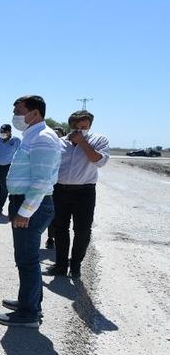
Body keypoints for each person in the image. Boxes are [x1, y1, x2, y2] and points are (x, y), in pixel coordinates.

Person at [0, 95, 61, 328]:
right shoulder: (33, 135)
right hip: (26, 203)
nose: (15, 116)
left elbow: (42, 180)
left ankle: (28, 313)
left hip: (31, 206)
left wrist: (25, 211)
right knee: (26, 257)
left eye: (18, 111)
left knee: (27, 259)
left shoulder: (43, 138)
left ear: (34, 113)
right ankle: (30, 302)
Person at [47, 111, 109, 279]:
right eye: (75, 126)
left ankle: (75, 266)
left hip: (84, 192)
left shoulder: (99, 140)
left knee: (82, 230)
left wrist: (82, 142)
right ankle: (60, 265)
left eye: (83, 127)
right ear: (70, 126)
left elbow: (99, 160)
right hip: (60, 190)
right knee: (60, 229)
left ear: (89, 126)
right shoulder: (60, 142)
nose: (79, 130)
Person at [0, 123, 21, 215]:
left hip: (8, 167)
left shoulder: (16, 141)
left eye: (4, 132)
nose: (2, 133)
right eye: (1, 131)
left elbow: (20, 154)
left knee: (4, 188)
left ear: (9, 132)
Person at [45, 126, 67, 249]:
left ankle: (56, 238)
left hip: (63, 185)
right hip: (50, 185)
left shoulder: (66, 148)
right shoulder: (47, 147)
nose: (56, 137)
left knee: (60, 215)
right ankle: (50, 238)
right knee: (51, 213)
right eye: (54, 134)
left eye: (58, 134)